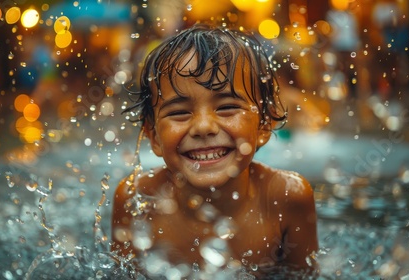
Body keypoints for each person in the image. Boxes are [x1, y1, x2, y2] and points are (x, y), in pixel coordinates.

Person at [112, 24, 319, 278]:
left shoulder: (287, 198)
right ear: (153, 136)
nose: (203, 127)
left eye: (227, 108)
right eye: (179, 113)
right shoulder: (137, 201)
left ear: (264, 124)